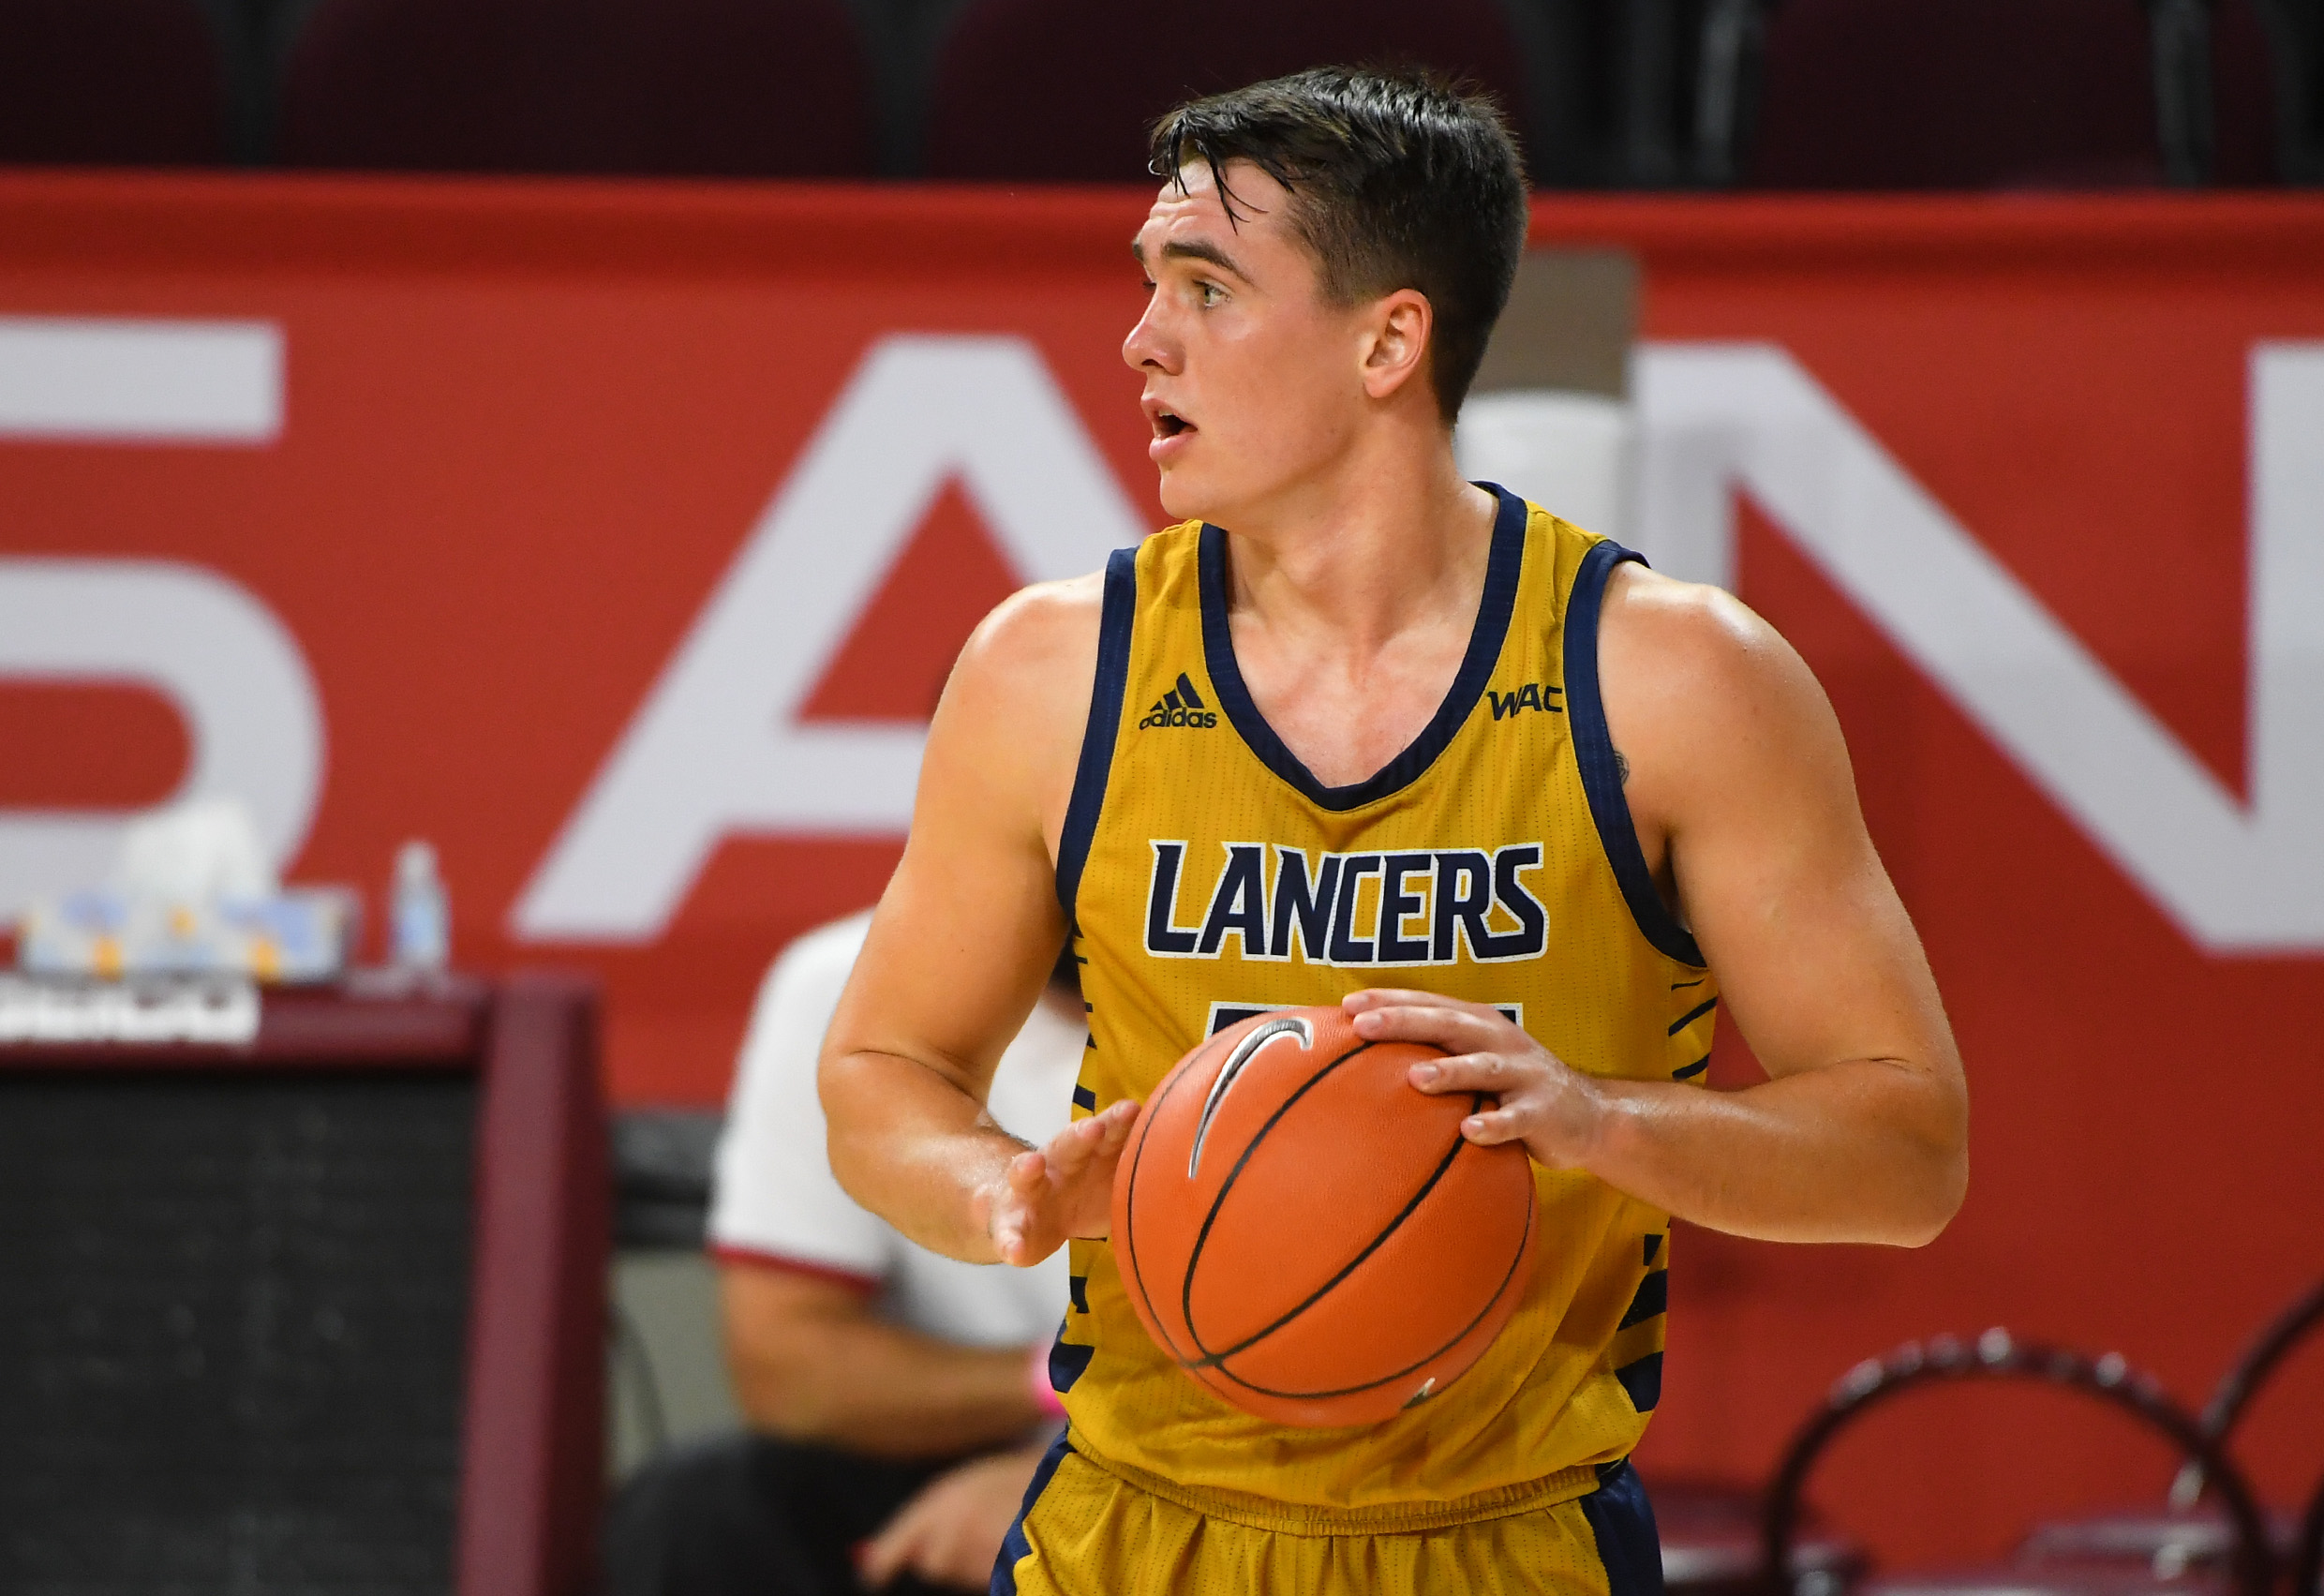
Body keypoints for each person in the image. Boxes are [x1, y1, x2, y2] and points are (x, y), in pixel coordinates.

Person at [820, 66, 1970, 1596]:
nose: (1141, 338)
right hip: (1136, 1524)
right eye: (1148, 284)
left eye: (1208, 289)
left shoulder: (1673, 677)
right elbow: (881, 1067)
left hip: (1512, 1537)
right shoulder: (1050, 667)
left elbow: (1912, 1147)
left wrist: (1604, 1121)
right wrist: (1000, 1188)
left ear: (1389, 339)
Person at [604, 911, 1082, 1595]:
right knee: (699, 1511)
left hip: (1214, 1468)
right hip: (980, 1449)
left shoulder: (1277, 986)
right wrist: (1059, 1377)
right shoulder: (849, 985)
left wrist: (1074, 1484)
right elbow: (787, 1362)